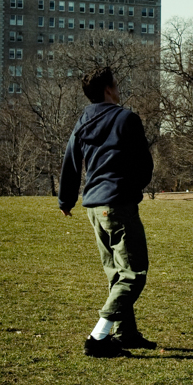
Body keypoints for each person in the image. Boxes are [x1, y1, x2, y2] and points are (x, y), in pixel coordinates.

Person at [59, 66, 156, 358]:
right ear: (107, 89)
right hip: (119, 204)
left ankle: (125, 333)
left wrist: (66, 200)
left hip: (93, 206)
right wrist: (133, 189)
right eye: (115, 84)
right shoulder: (127, 118)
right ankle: (99, 336)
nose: (118, 87)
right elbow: (144, 165)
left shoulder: (83, 120)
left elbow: (71, 160)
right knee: (134, 272)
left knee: (116, 273)